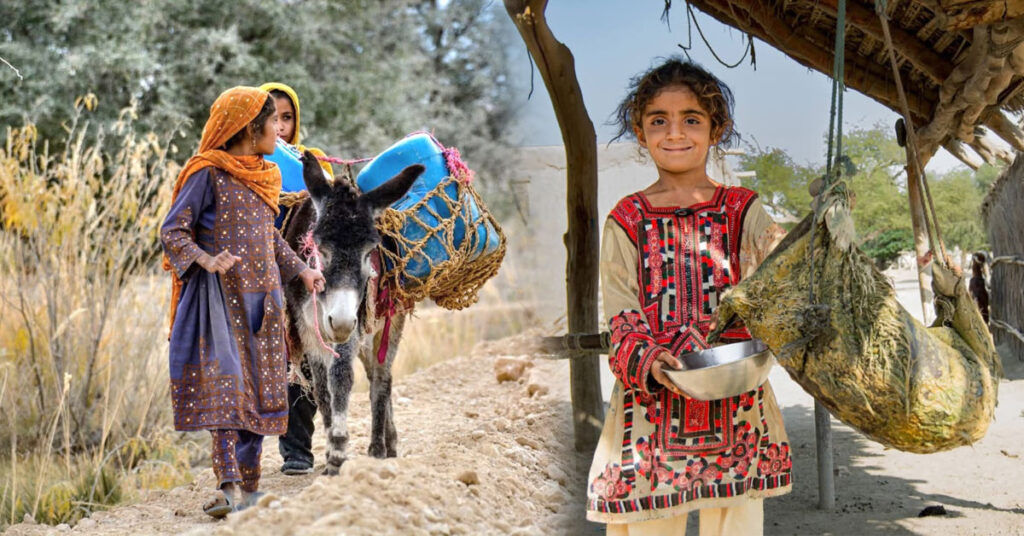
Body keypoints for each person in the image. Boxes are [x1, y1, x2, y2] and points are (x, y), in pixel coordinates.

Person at [587, 59, 792, 535]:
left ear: (716, 129)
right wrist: (651, 360)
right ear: (640, 132)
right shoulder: (627, 217)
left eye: (692, 120)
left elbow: (780, 274)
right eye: (659, 120)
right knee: (649, 523)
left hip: (737, 401)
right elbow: (621, 310)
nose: (674, 132)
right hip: (649, 410)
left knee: (737, 523)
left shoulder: (743, 209)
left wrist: (801, 246)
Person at [160, 86, 325, 517]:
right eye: (273, 122)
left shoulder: (264, 174)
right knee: (229, 387)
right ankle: (227, 484)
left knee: (261, 391)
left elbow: (267, 235)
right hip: (220, 300)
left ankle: (248, 490)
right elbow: (173, 231)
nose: (280, 130)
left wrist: (302, 271)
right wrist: (206, 259)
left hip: (265, 301)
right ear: (250, 129)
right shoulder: (207, 173)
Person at [258, 82, 334, 476]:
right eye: (272, 118)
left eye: (287, 118)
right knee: (272, 365)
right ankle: (277, 454)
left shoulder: (314, 163)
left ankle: (299, 453)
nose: (281, 127)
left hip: (303, 281)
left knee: (302, 362)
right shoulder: (244, 167)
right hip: (258, 279)